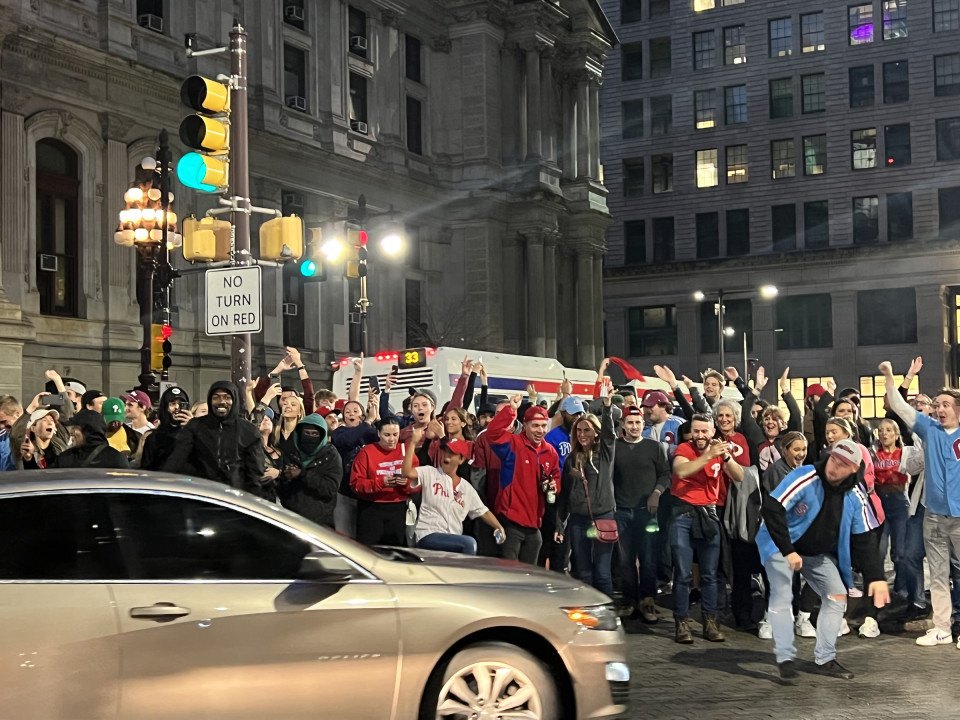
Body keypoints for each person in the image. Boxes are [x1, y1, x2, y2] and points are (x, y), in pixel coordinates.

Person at [757, 439, 890, 681]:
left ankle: (825, 659)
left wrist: (877, 577)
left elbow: (865, 539)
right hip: (780, 543)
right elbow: (772, 507)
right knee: (782, 594)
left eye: (843, 464)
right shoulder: (806, 476)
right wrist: (788, 550)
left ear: (853, 469)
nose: (834, 466)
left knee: (837, 596)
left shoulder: (855, 493)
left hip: (815, 553)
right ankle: (785, 656)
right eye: (833, 459)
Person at [879, 360, 960, 648]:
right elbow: (900, 407)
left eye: (945, 404)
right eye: (936, 404)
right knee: (938, 574)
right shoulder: (929, 430)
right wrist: (891, 376)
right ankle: (942, 628)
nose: (939, 409)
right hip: (934, 515)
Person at [670, 413, 745, 644]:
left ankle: (710, 622)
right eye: (696, 431)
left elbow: (740, 476)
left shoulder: (718, 450)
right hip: (683, 513)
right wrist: (708, 455)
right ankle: (681, 622)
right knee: (682, 574)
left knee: (710, 574)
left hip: (709, 514)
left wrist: (725, 457)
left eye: (704, 431)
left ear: (712, 432)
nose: (700, 436)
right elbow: (681, 471)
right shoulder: (684, 448)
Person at [402, 428, 505, 554]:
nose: (446, 457)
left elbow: (483, 511)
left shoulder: (466, 488)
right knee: (469, 543)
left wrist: (499, 527)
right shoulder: (430, 472)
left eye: (451, 454)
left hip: (453, 540)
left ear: (461, 459)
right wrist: (412, 443)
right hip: (428, 535)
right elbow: (407, 472)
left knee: (465, 545)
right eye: (445, 452)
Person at [486, 395, 561, 564]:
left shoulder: (550, 452)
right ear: (525, 425)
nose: (540, 430)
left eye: (543, 426)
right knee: (509, 576)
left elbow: (556, 477)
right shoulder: (513, 444)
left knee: (529, 577)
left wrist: (555, 485)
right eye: (535, 426)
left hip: (534, 525)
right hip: (511, 522)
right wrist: (511, 411)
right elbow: (492, 434)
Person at [613, 405, 670, 622]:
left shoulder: (654, 447)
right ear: (623, 425)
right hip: (621, 511)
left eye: (637, 422)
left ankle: (647, 600)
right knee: (625, 560)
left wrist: (657, 493)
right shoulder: (615, 447)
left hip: (647, 512)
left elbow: (665, 475)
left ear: (643, 424)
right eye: (630, 422)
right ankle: (629, 600)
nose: (634, 426)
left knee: (648, 558)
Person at [556, 389, 616, 595]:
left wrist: (607, 408)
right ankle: (587, 615)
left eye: (587, 430)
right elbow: (565, 493)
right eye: (579, 430)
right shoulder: (572, 458)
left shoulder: (605, 454)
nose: (582, 434)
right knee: (582, 572)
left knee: (602, 572)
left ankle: (606, 616)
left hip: (603, 517)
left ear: (596, 432)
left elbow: (609, 436)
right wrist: (559, 523)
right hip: (578, 521)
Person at [163, 381, 266, 496]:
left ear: (235, 400)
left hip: (236, 501)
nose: (221, 402)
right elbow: (176, 460)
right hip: (202, 498)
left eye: (227, 397)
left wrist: (252, 502)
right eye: (216, 397)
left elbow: (255, 473)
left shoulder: (248, 431)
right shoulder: (195, 427)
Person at [351, 416, 415, 546]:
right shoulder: (367, 452)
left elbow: (418, 482)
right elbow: (356, 484)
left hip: (398, 508)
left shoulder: (405, 450)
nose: (392, 439)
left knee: (395, 551)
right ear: (379, 433)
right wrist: (380, 483)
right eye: (387, 435)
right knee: (368, 551)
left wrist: (406, 484)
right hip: (371, 507)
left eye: (395, 435)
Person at [278, 413, 342, 528]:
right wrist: (284, 476)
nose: (310, 437)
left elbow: (329, 489)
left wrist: (302, 474)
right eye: (306, 433)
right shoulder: (290, 451)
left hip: (319, 522)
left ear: (322, 436)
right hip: (289, 518)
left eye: (315, 434)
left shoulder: (331, 455)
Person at [140, 387, 193, 472]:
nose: (177, 407)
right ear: (165, 407)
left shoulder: (194, 434)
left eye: (181, 404)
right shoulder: (154, 438)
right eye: (172, 403)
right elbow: (146, 469)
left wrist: (193, 427)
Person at [54, 410, 129, 469]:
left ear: (88, 431)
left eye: (75, 428)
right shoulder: (117, 458)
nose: (71, 432)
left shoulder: (116, 460)